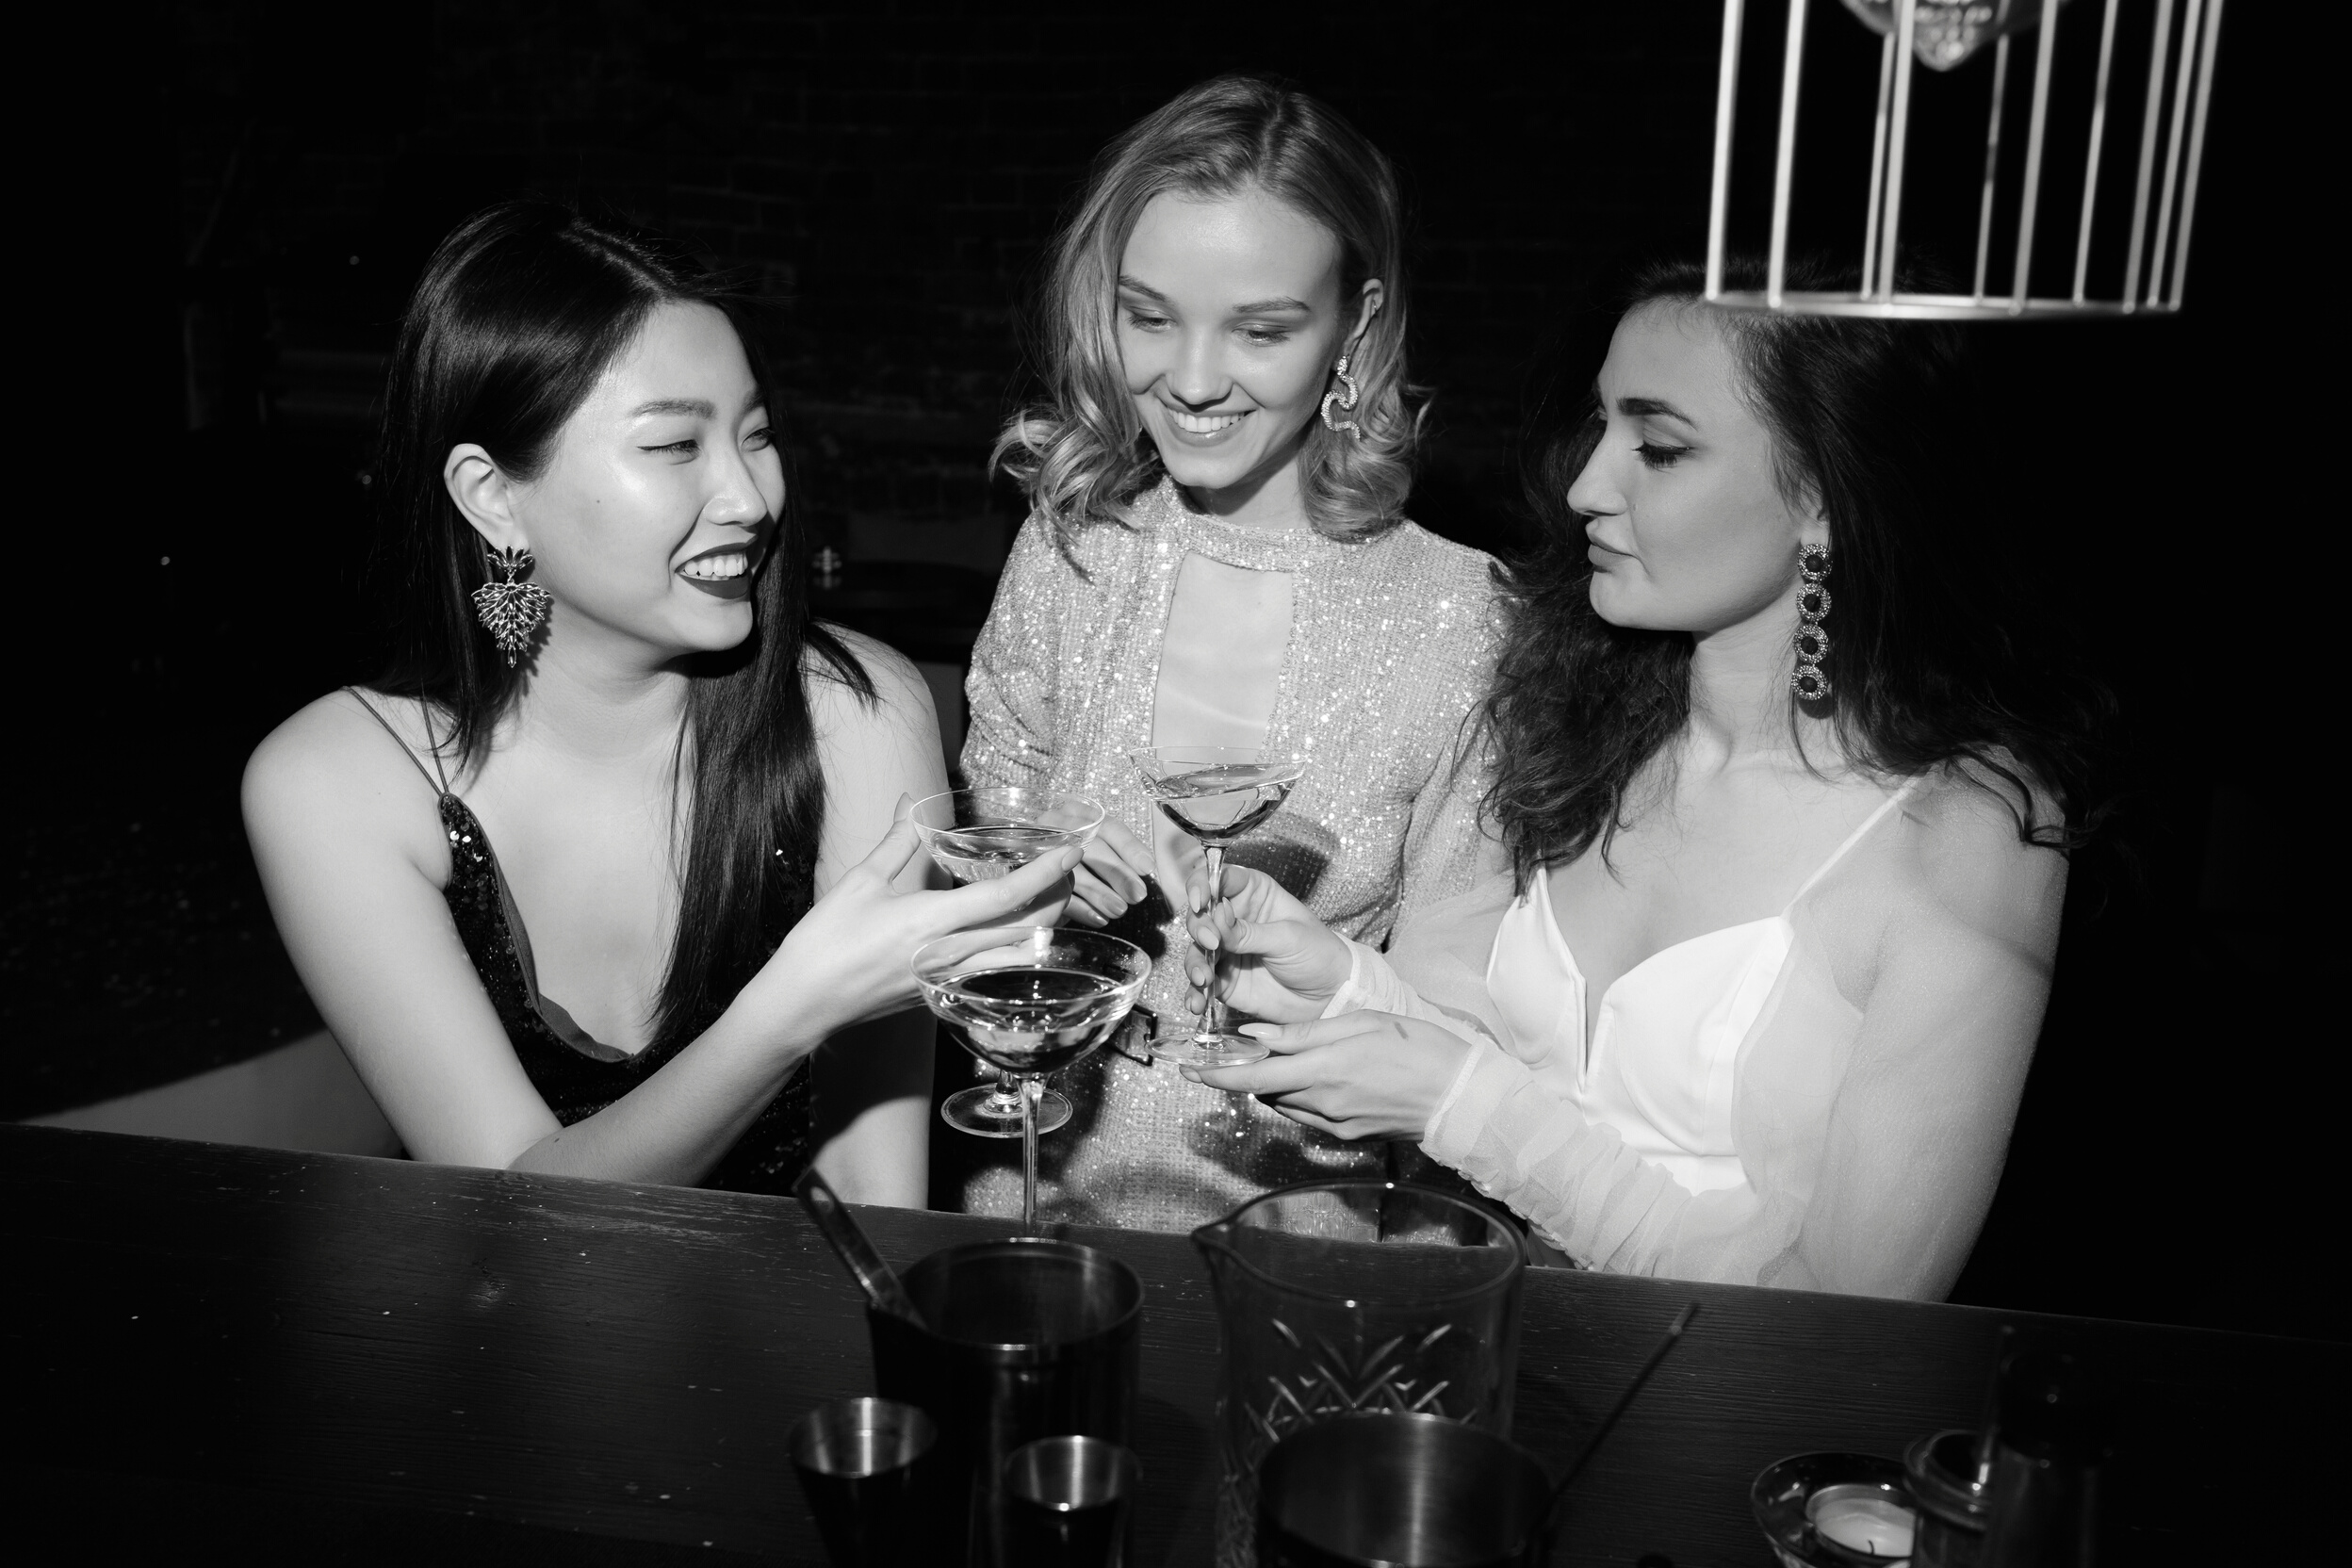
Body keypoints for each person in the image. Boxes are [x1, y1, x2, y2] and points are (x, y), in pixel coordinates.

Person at [1181, 259, 2105, 1298]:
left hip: (1722, 1397)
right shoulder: (1575, 723)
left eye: (1659, 449)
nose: (1587, 486)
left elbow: (1852, 1309)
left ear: (1828, 495)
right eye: (1601, 425)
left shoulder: (1969, 829)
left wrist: (1461, 1104)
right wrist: (1348, 986)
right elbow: (1516, 1085)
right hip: (1481, 1357)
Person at [243, 203, 1079, 1199]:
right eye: (677, 445)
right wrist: (785, 1013)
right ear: (493, 495)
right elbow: (514, 1207)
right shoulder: (338, 783)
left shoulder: (852, 710)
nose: (750, 497)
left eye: (756, 434)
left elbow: (877, 1195)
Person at [959, 74, 1502, 1231]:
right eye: (1150, 317)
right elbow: (971, 887)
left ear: (1356, 325)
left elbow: (1458, 1040)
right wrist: (1045, 894)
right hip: (1043, 1187)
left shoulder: (1462, 617)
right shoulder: (1072, 554)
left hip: (1305, 1218)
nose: (1195, 380)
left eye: (1260, 330)